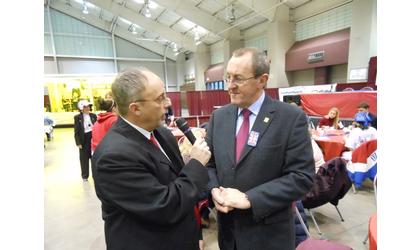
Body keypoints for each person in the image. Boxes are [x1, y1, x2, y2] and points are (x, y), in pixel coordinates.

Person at [205, 47, 315, 250]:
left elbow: (302, 177)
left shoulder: (289, 118)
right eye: (227, 77)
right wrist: (214, 189)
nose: (230, 86)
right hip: (229, 235)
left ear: (262, 80)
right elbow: (210, 164)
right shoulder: (219, 118)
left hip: (268, 236)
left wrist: (250, 199)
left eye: (238, 78)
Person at [92, 67, 211, 250]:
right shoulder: (114, 157)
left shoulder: (161, 133)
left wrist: (195, 233)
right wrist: (195, 164)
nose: (168, 102)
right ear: (135, 108)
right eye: (160, 98)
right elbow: (165, 207)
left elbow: (180, 185)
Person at [74, 99, 97, 181]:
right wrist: (78, 143)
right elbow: (76, 131)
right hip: (84, 139)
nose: (88, 108)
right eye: (85, 107)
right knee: (84, 159)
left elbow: (97, 127)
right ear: (81, 108)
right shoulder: (77, 118)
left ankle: (96, 175)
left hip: (93, 137)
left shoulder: (93, 116)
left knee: (94, 157)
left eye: (88, 106)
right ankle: (85, 176)